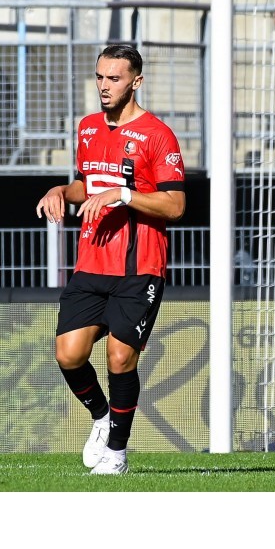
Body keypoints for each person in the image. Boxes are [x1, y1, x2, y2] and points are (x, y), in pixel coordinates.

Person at [35, 44, 186, 475]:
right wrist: (60, 191)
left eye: (114, 78)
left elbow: (175, 206)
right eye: (100, 77)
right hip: (91, 263)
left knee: (121, 358)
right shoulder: (87, 128)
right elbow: (86, 184)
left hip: (139, 267)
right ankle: (103, 418)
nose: (104, 86)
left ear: (136, 81)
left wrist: (122, 195)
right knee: (68, 354)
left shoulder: (158, 134)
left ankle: (117, 453)